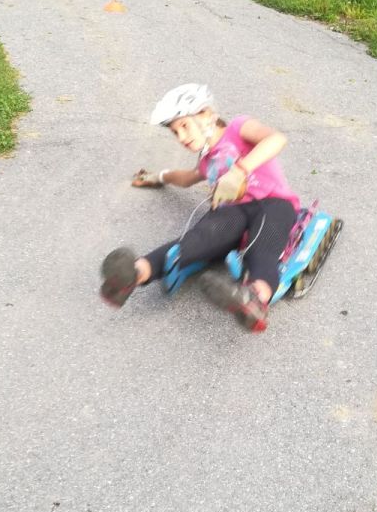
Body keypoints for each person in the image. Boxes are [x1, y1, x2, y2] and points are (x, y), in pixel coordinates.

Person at [100, 85, 300, 334]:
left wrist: (240, 170)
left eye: (184, 126)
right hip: (233, 213)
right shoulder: (207, 161)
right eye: (175, 132)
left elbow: (276, 139)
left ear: (206, 114)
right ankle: (133, 274)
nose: (181, 137)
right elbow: (186, 178)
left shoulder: (238, 128)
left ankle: (254, 300)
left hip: (274, 203)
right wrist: (157, 177)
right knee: (197, 239)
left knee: (263, 249)